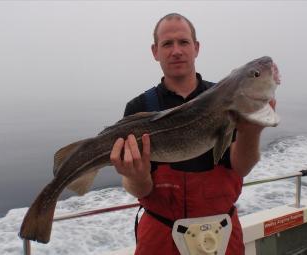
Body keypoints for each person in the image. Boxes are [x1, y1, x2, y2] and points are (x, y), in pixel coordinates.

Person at [110, 13, 275, 255]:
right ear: (155, 51)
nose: (176, 50)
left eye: (183, 42)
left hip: (222, 232)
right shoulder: (139, 109)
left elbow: (240, 167)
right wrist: (134, 177)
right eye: (167, 44)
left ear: (196, 48)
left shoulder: (224, 97)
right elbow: (140, 190)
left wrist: (252, 131)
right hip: (161, 235)